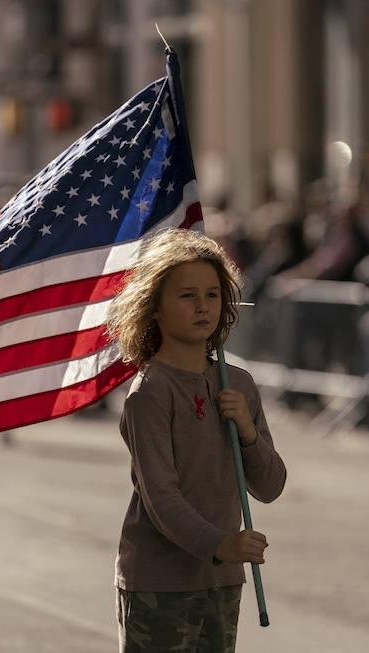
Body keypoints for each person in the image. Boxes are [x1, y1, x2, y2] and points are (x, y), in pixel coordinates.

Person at [106, 228, 287, 653]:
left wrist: (247, 431)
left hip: (221, 579)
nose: (203, 306)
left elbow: (270, 485)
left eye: (212, 294)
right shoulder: (151, 392)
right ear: (153, 308)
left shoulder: (238, 383)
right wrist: (220, 544)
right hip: (159, 583)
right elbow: (161, 497)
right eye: (187, 296)